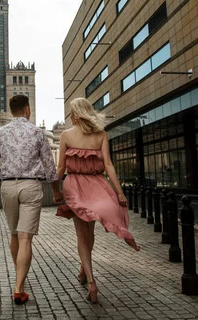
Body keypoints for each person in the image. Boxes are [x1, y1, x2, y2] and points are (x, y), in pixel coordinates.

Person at [55, 97, 140, 304]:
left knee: (82, 235)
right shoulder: (101, 134)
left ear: (76, 113)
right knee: (89, 232)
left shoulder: (66, 135)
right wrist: (119, 193)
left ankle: (91, 279)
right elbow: (109, 165)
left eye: (71, 113)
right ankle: (84, 270)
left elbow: (60, 168)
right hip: (98, 185)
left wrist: (55, 189)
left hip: (74, 185)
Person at [0, 95, 64, 305]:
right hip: (31, 186)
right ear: (27, 110)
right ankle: (19, 287)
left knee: (14, 234)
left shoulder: (0, 133)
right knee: (25, 238)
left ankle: (20, 276)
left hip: (8, 186)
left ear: (11, 111)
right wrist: (56, 191)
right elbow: (49, 166)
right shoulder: (37, 132)